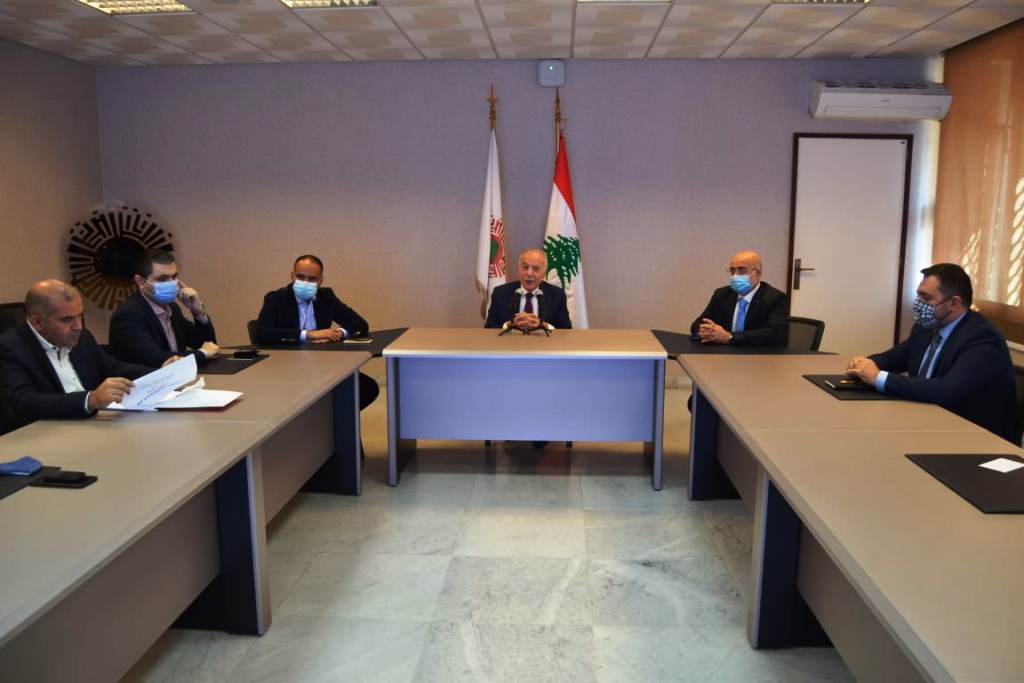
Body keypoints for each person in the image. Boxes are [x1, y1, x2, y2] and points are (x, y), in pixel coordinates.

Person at [847, 263, 1019, 444]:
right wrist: (864, 364)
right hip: (926, 423)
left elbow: (946, 391)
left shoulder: (982, 337)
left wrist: (878, 377)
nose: (918, 303)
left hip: (975, 439)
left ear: (954, 303)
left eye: (926, 297)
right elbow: (895, 358)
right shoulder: (926, 327)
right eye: (918, 295)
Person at [0, 280, 151, 434]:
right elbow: (22, 402)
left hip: (93, 424)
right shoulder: (9, 347)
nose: (78, 326)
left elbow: (111, 367)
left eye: (80, 316)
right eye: (67, 320)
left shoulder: (81, 336)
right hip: (45, 433)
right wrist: (90, 400)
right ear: (37, 322)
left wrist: (160, 373)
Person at [255, 254, 378, 409]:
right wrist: (309, 334)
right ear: (292, 276)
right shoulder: (275, 299)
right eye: (300, 277)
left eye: (312, 279)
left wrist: (338, 333)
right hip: (286, 368)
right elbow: (263, 333)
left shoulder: (326, 297)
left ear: (320, 281)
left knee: (367, 388)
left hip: (321, 365)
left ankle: (338, 422)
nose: (305, 282)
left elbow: (360, 324)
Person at [109, 249, 219, 367]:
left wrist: (198, 312)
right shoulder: (128, 315)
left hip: (177, 376)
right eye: (162, 279)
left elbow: (209, 345)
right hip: (146, 378)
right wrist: (203, 353)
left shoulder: (172, 308)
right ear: (140, 282)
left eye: (174, 277)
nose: (171, 283)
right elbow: (156, 359)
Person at [691, 250, 789, 346]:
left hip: (756, 354)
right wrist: (707, 331)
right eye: (732, 271)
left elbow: (775, 334)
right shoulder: (722, 294)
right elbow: (697, 325)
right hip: (723, 353)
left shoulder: (775, 298)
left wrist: (729, 337)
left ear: (758, 273)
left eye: (742, 270)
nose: (735, 276)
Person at [484, 248, 572, 331]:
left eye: (536, 269)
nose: (529, 273)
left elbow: (566, 331)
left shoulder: (557, 295)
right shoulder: (500, 293)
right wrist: (509, 325)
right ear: (519, 269)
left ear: (544, 273)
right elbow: (489, 328)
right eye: (525, 267)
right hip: (510, 342)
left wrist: (544, 325)